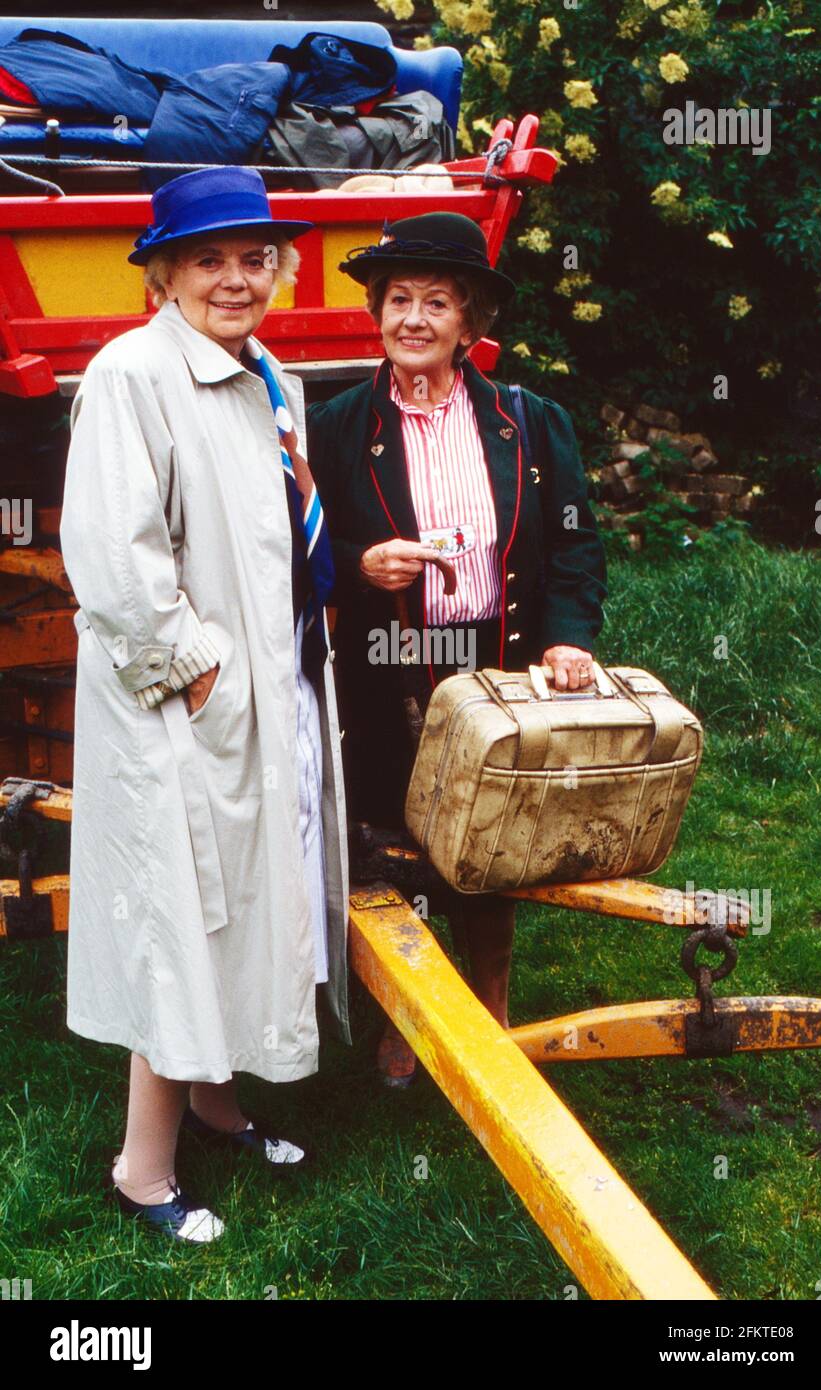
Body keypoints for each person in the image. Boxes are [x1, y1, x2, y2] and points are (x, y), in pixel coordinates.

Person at [59, 166, 350, 1242]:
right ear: (165, 274)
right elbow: (110, 553)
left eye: (252, 256)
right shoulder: (132, 376)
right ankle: (143, 1168)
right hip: (179, 700)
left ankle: (223, 1100)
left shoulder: (273, 375)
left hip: (268, 684)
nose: (236, 277)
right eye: (208, 258)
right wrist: (197, 668)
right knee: (182, 919)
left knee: (254, 894)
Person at [306, 212, 608, 1086]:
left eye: (435, 302)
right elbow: (293, 550)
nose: (413, 319)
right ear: (376, 311)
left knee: (494, 834)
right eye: (397, 299)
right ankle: (411, 1010)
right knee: (401, 831)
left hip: (495, 656)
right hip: (387, 663)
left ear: (469, 324)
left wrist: (564, 639)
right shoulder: (333, 426)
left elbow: (575, 542)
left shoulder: (529, 421)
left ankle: (493, 997)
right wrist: (360, 566)